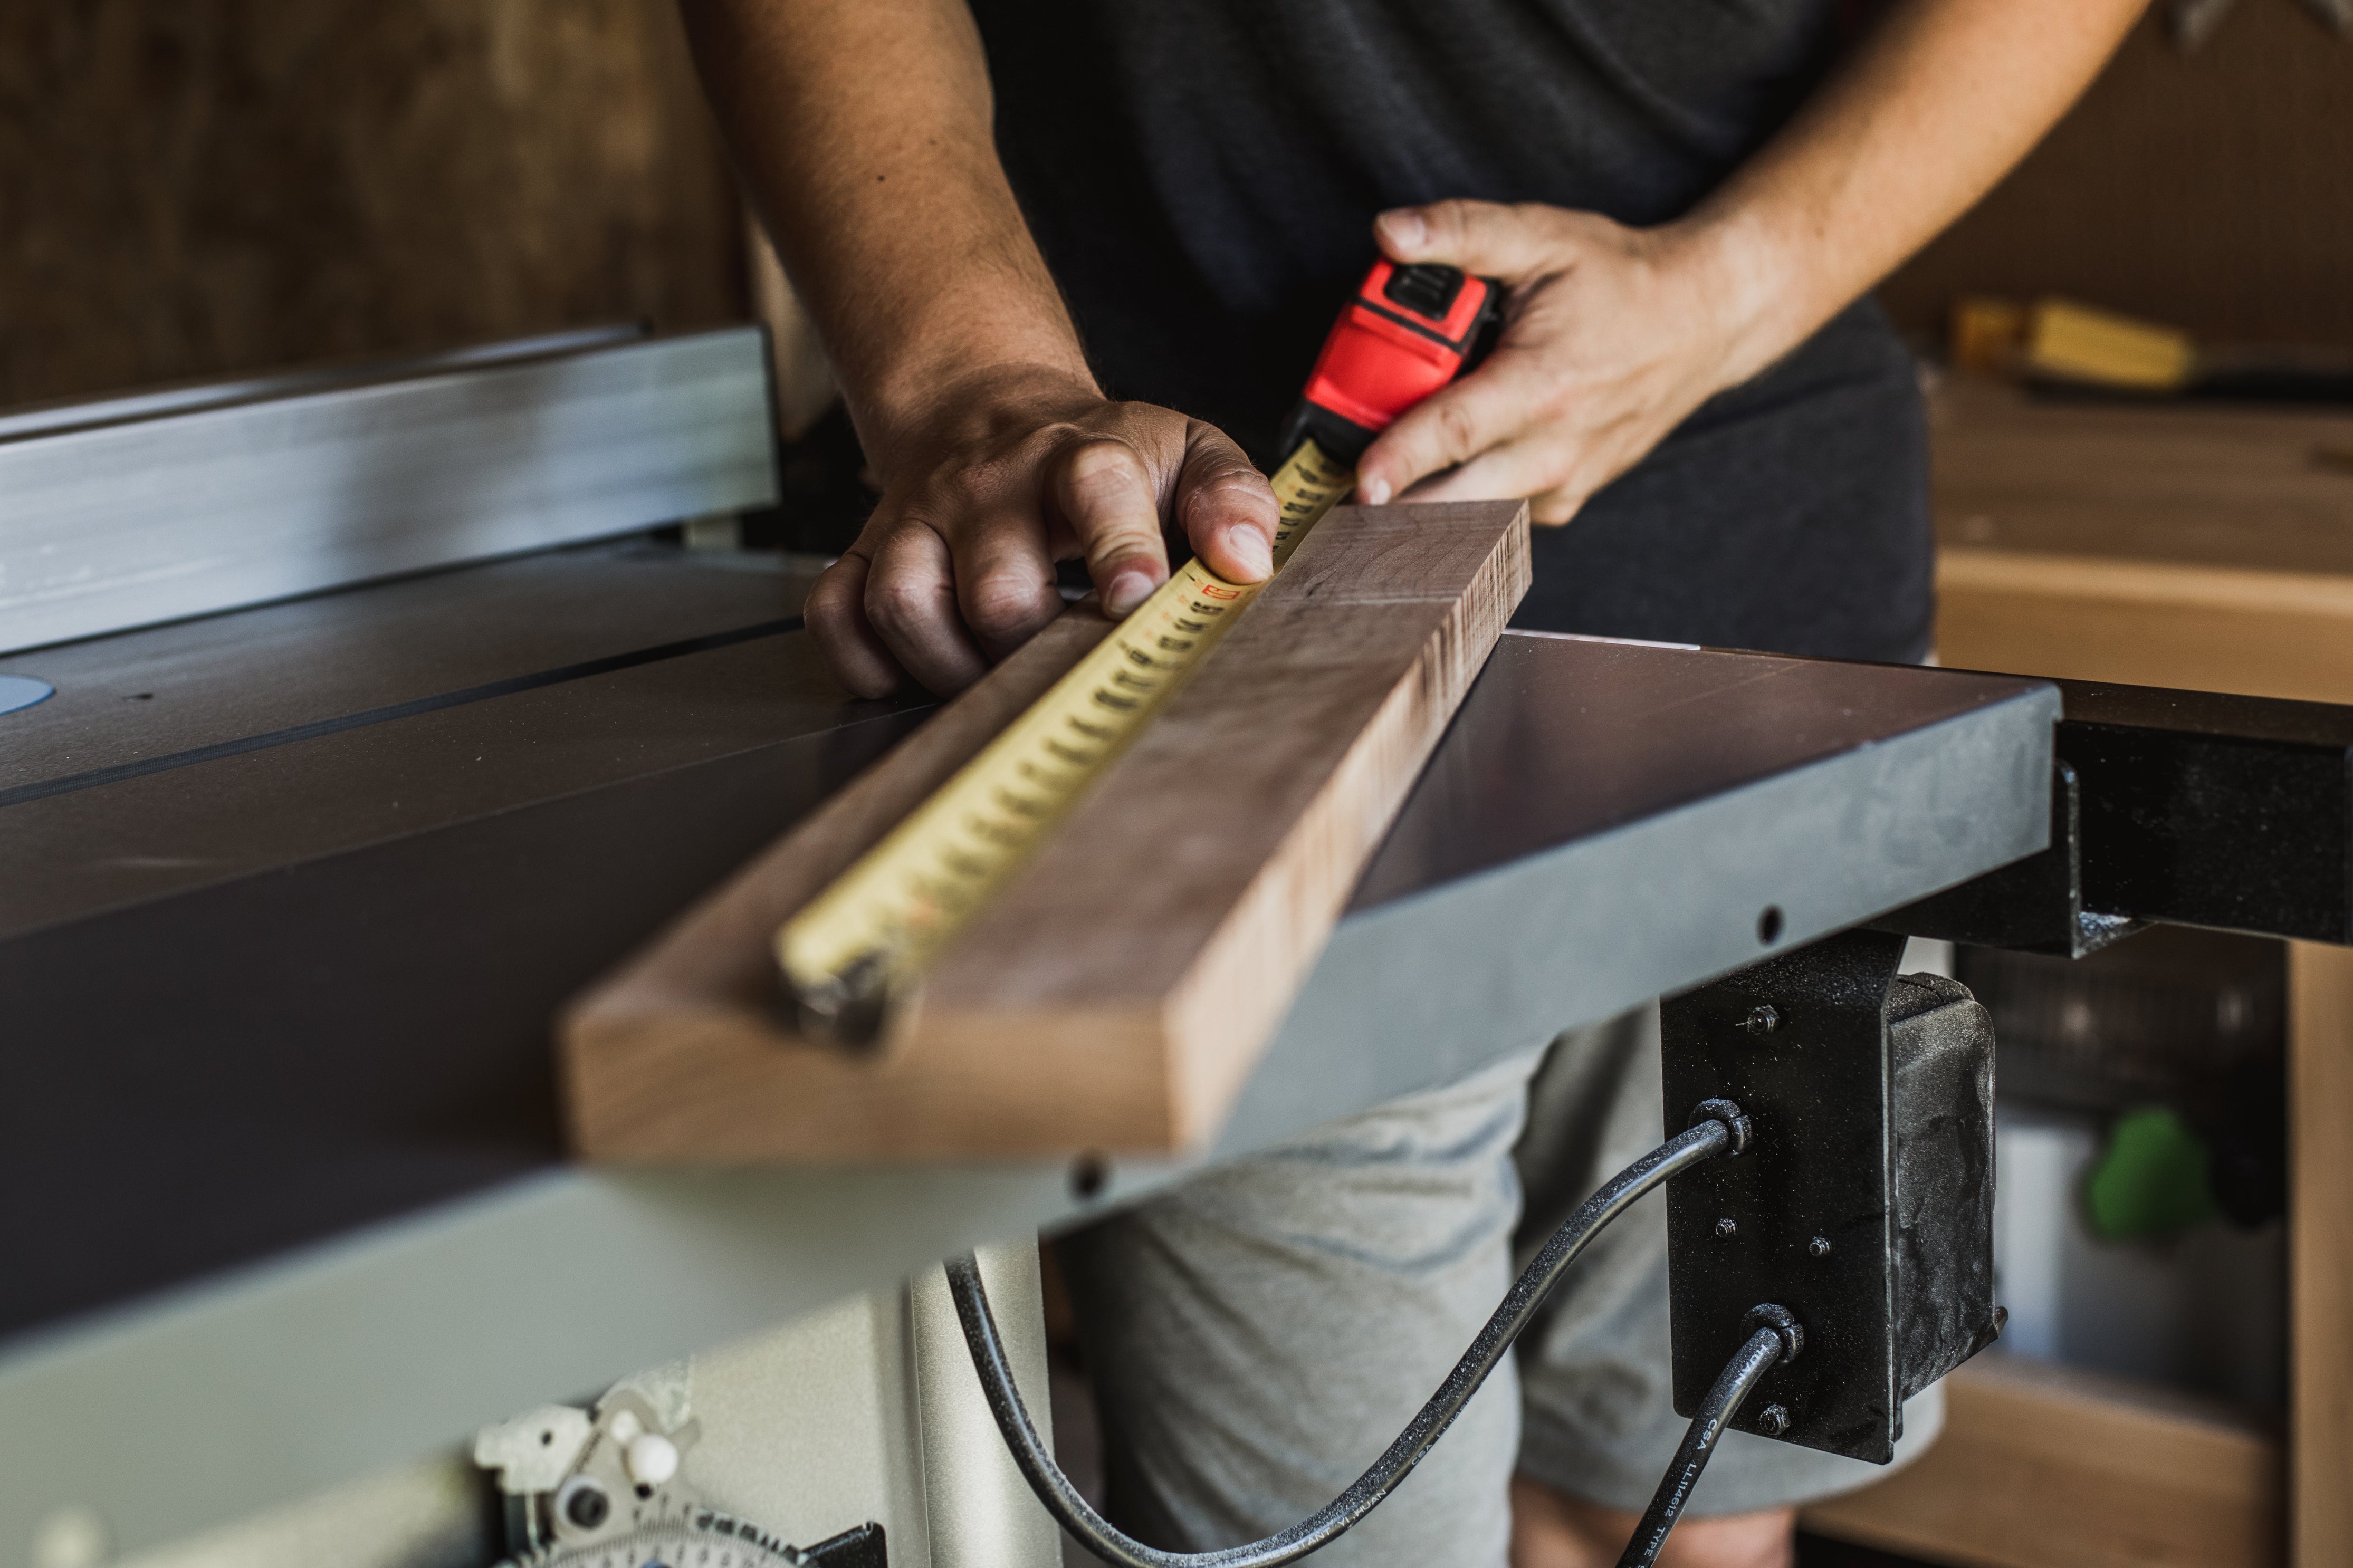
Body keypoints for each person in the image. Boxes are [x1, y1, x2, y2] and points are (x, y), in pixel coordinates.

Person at [684, 2, 2145, 1563]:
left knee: (1684, 1516)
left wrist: (1735, 282)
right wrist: (977, 383)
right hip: (1193, 647)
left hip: (1768, 633)